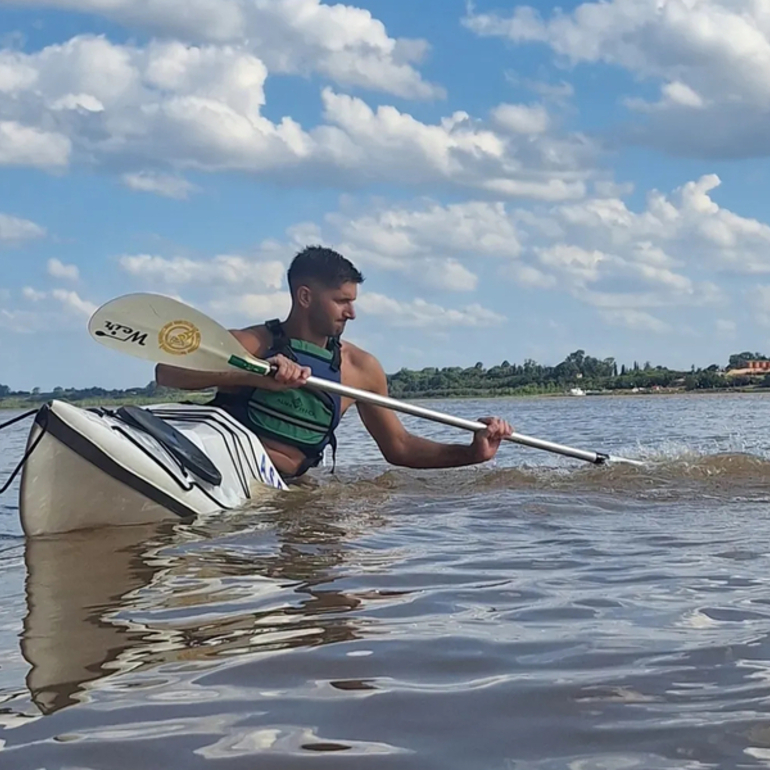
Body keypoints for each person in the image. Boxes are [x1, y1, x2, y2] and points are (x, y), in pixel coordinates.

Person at [155, 245, 513, 480]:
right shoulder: (254, 343)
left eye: (353, 301)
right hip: (225, 469)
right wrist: (256, 375)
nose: (352, 313)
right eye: (342, 301)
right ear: (306, 296)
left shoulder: (360, 369)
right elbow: (166, 372)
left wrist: (471, 453)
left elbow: (399, 447)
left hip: (288, 489)